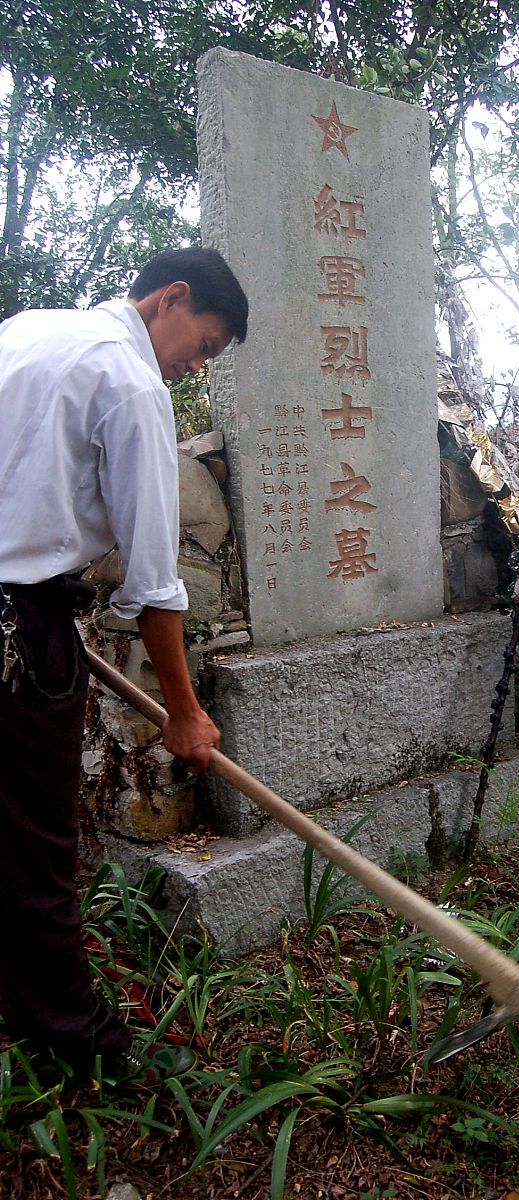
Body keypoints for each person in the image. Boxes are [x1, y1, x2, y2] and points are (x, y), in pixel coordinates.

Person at [0, 247, 248, 1084]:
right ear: (168, 299)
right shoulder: (133, 384)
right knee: (36, 840)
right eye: (204, 345)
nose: (193, 368)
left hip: (25, 609)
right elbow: (156, 588)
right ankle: (76, 1036)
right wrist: (181, 710)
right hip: (18, 631)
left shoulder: (29, 330)